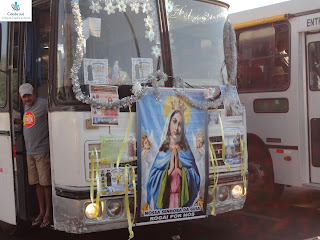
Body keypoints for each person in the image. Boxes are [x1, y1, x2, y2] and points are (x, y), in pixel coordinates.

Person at [145, 102, 200, 210]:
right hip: (166, 203)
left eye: (180, 124)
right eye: (174, 122)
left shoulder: (186, 153)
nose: (176, 127)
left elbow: (197, 179)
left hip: (182, 203)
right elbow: (152, 180)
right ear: (169, 124)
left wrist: (180, 170)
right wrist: (170, 170)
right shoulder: (162, 154)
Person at [16, 83, 52, 228]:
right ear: (20, 97)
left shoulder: (43, 104)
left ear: (35, 93)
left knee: (45, 185)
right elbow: (29, 122)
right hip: (30, 153)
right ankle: (41, 212)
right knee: (37, 184)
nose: (27, 98)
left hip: (42, 152)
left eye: (29, 95)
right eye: (24, 96)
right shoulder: (25, 107)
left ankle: (48, 213)